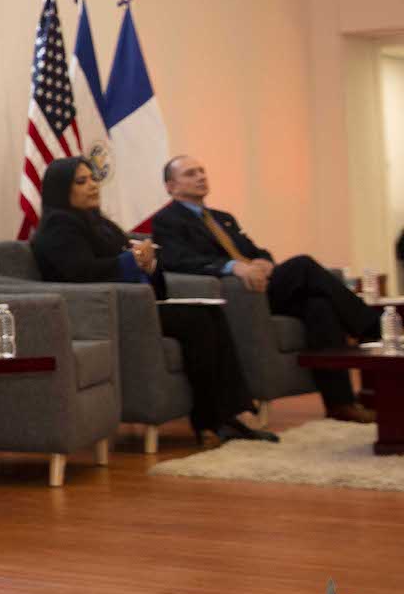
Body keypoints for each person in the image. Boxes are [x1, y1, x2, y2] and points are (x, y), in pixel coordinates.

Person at [31, 157, 275, 445]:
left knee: (211, 314)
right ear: (61, 190)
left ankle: (231, 414)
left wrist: (147, 264)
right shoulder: (60, 226)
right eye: (81, 182)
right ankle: (215, 417)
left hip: (136, 304)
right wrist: (130, 260)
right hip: (103, 312)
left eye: (93, 179)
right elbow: (79, 272)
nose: (93, 186)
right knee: (197, 320)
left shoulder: (99, 222)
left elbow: (129, 264)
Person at [151, 154, 380, 423]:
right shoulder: (167, 220)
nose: (201, 177)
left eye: (202, 171)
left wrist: (265, 262)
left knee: (320, 306)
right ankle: (371, 328)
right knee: (303, 264)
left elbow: (255, 250)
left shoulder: (223, 218)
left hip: (260, 287)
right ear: (171, 187)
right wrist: (231, 267)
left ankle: (340, 404)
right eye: (190, 173)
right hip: (238, 295)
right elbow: (179, 260)